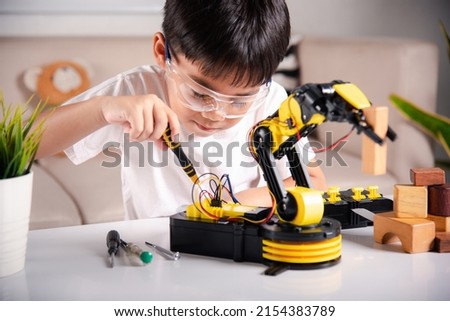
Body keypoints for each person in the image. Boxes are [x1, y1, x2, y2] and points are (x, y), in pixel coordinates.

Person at [36, 0, 326, 220]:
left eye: (239, 101)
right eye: (199, 93)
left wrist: (231, 204)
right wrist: (103, 110)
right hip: (157, 255)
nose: (217, 114)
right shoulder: (136, 90)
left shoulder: (270, 100)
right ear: (163, 54)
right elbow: (23, 145)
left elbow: (312, 182)